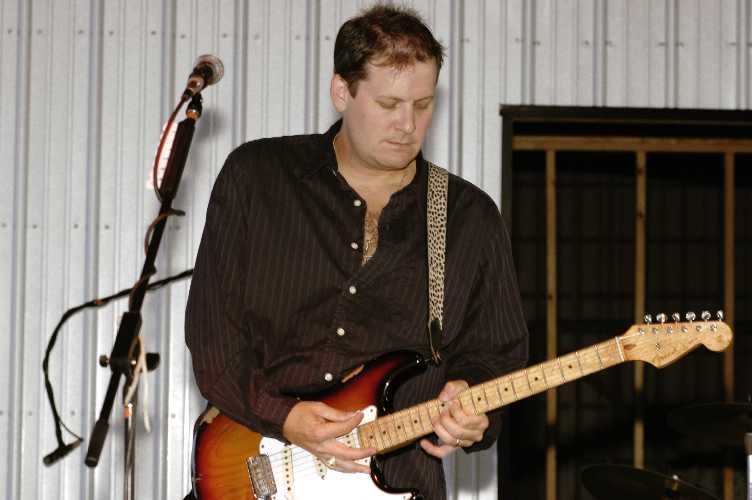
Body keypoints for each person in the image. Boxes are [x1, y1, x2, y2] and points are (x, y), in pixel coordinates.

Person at [185, 4, 528, 499]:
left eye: (424, 105)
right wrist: (285, 416)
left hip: (401, 483)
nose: (408, 124)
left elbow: (497, 353)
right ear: (341, 91)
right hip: (255, 469)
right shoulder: (257, 177)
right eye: (389, 104)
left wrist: (475, 405)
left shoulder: (468, 216)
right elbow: (212, 338)